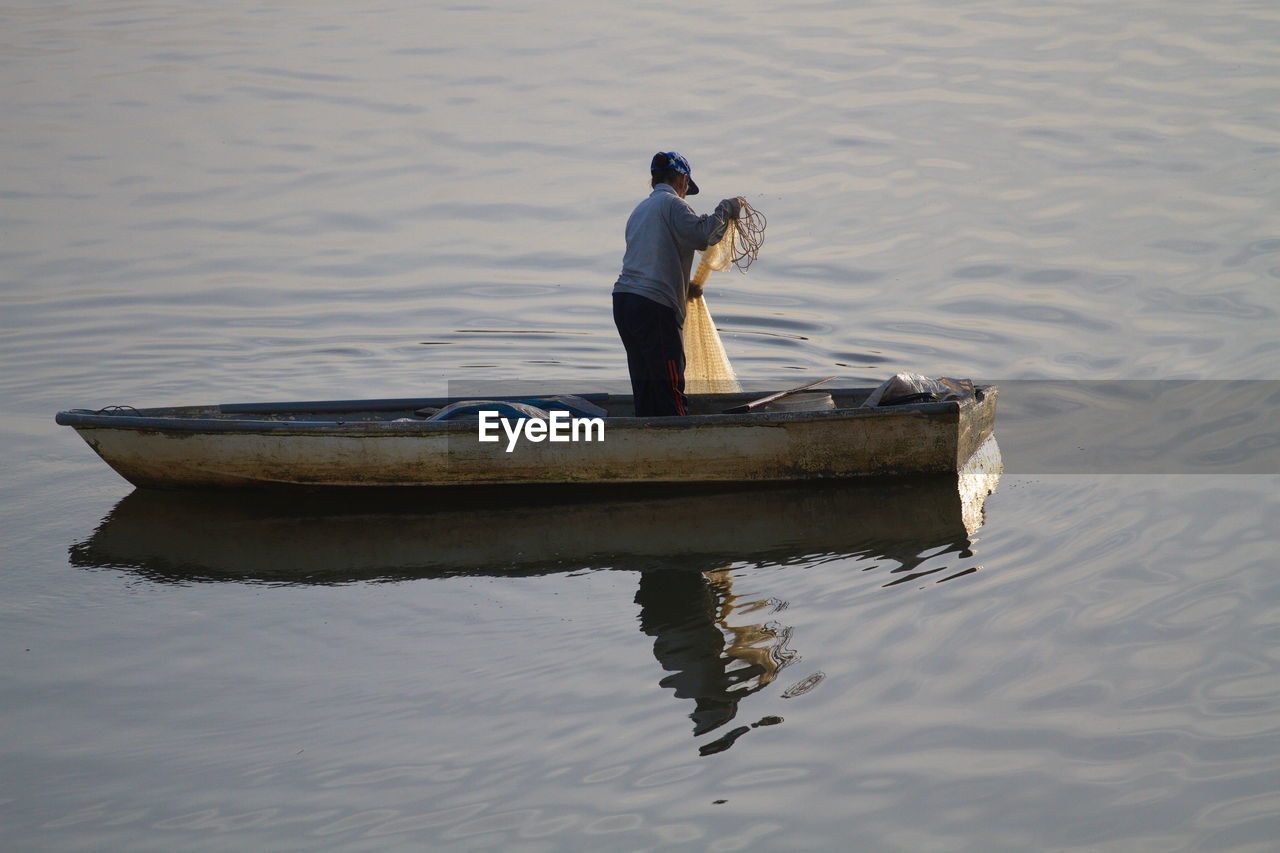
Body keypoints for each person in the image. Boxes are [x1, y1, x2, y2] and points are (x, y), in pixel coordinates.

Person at [613, 151, 742, 416]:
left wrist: (688, 288)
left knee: (646, 382)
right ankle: (677, 435)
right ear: (682, 180)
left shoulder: (640, 210)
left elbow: (656, 255)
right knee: (669, 384)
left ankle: (646, 437)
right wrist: (725, 209)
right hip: (654, 306)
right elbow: (702, 236)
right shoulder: (673, 205)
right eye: (686, 186)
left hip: (624, 301)